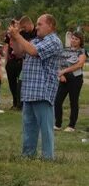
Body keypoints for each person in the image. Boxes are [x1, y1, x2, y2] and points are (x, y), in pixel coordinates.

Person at [8, 14, 63, 160]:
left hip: (43, 91)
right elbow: (19, 52)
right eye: (37, 24)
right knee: (29, 127)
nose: (36, 27)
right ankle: (28, 155)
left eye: (40, 24)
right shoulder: (36, 41)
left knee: (45, 128)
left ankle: (48, 157)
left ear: (50, 25)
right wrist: (14, 36)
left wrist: (18, 37)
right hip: (29, 90)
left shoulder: (54, 41)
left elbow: (33, 52)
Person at [54, 31, 86, 132]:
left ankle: (71, 126)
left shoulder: (82, 51)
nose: (73, 40)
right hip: (63, 79)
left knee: (73, 102)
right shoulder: (64, 50)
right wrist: (61, 74)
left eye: (76, 39)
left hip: (75, 79)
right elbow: (58, 63)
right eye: (72, 38)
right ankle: (58, 124)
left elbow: (79, 65)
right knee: (57, 101)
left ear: (80, 41)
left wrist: (64, 71)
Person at [3, 16, 36, 110]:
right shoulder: (16, 33)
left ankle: (21, 103)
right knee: (13, 83)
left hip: (23, 62)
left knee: (21, 84)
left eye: (23, 27)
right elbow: (8, 46)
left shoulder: (35, 33)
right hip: (13, 60)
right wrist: (6, 61)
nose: (22, 29)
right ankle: (16, 103)